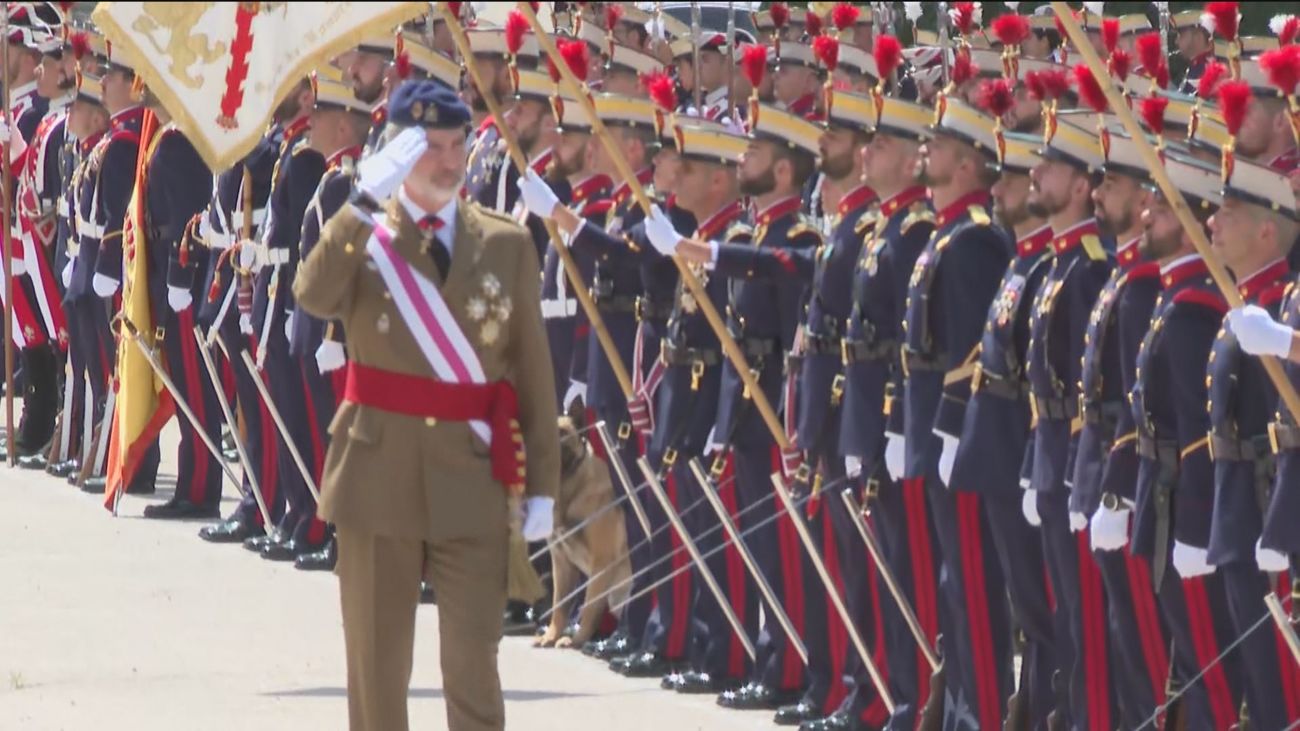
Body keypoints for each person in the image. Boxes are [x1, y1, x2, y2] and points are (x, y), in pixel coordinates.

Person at [293, 79, 559, 731]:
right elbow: (312, 295)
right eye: (428, 147)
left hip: (471, 480)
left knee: (474, 674)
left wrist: (543, 489)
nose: (445, 160)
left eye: (455, 144)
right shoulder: (362, 235)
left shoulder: (505, 244)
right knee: (377, 679)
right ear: (395, 154)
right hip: (375, 479)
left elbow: (532, 374)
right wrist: (359, 204)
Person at [1204, 158, 1300, 728]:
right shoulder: (1250, 305)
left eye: (1227, 212)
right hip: (1250, 513)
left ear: (1268, 230)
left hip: (1281, 511)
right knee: (1264, 689)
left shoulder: (1285, 300)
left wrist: (1285, 339)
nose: (1213, 222)